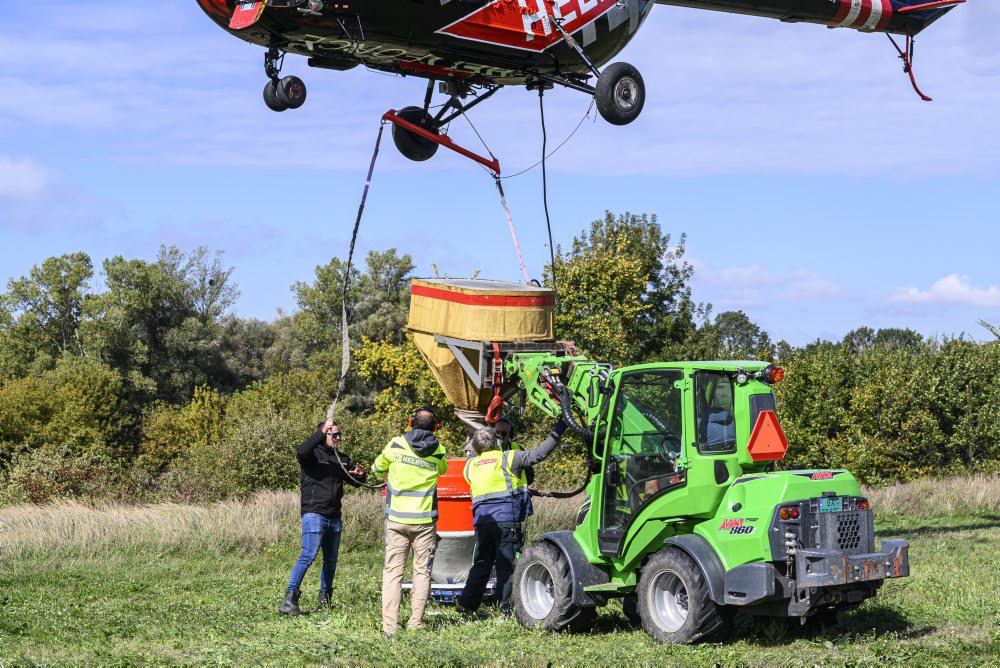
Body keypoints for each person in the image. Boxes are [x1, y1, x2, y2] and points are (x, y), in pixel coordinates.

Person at [456, 420, 565, 616]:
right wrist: (559, 429)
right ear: (496, 443)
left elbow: (475, 456)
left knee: (482, 563)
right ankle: (503, 609)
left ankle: (467, 604)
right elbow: (540, 454)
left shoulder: (470, 465)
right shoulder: (509, 458)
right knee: (506, 565)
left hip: (482, 521)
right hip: (506, 519)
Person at [371, 406, 449, 638]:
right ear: (435, 427)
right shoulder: (438, 451)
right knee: (422, 572)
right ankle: (416, 622)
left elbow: (377, 469)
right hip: (424, 522)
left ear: (409, 422)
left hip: (396, 519)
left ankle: (390, 627)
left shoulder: (395, 444)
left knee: (393, 572)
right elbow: (442, 471)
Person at [280, 418, 366, 616]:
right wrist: (321, 431)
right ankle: (289, 599)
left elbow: (355, 481)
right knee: (308, 556)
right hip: (314, 514)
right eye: (333, 434)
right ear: (324, 433)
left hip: (334, 516)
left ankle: (325, 599)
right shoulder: (311, 455)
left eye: (339, 434)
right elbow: (301, 451)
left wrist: (360, 475)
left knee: (331, 560)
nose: (338, 438)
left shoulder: (342, 459)